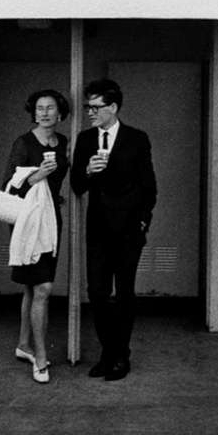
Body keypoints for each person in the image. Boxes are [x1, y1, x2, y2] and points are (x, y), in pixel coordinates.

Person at [69, 78, 155, 380]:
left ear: (113, 107)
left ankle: (121, 355)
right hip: (98, 230)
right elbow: (77, 185)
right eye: (88, 107)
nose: (90, 112)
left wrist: (143, 222)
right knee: (97, 292)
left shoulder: (136, 139)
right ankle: (110, 352)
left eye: (96, 107)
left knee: (125, 293)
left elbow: (149, 187)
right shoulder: (85, 139)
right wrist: (87, 172)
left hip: (130, 230)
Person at [2, 89, 71, 384]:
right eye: (39, 108)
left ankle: (23, 345)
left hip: (51, 219)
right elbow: (9, 186)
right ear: (34, 112)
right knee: (42, 287)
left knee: (32, 289)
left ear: (59, 113)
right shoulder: (24, 143)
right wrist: (38, 176)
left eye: (50, 108)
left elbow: (58, 184)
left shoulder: (63, 142)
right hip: (28, 223)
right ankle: (40, 359)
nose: (44, 113)